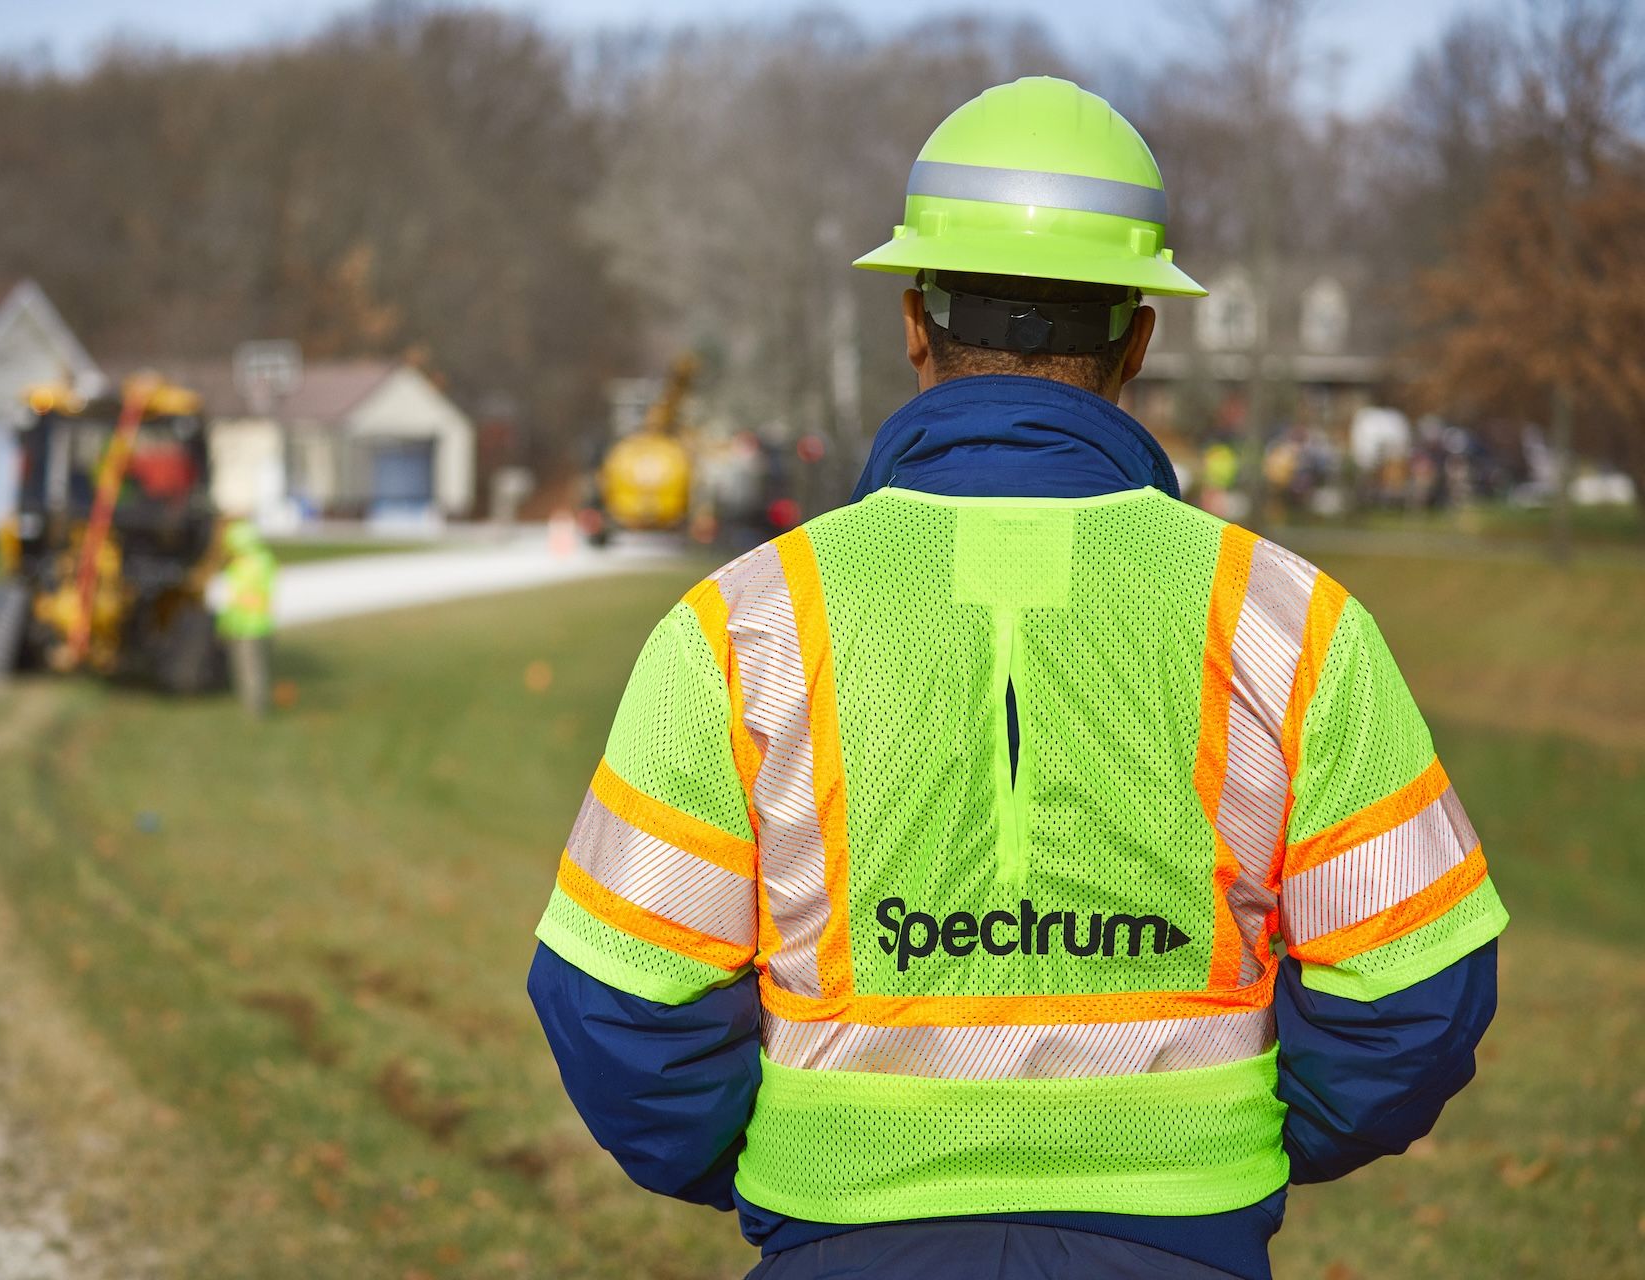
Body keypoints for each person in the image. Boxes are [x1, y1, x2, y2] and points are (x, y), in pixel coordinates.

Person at [526, 77, 1505, 1280]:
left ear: (912, 320)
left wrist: (797, 1166)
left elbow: (621, 1000)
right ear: (1138, 336)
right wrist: (1217, 1148)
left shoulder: (741, 627)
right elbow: (1415, 988)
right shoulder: (1292, 622)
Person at [217, 519, 275, 716]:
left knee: (251, 669)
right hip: (241, 623)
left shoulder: (254, 563)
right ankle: (249, 704)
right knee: (244, 668)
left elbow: (244, 595)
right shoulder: (250, 562)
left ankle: (256, 709)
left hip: (251, 625)